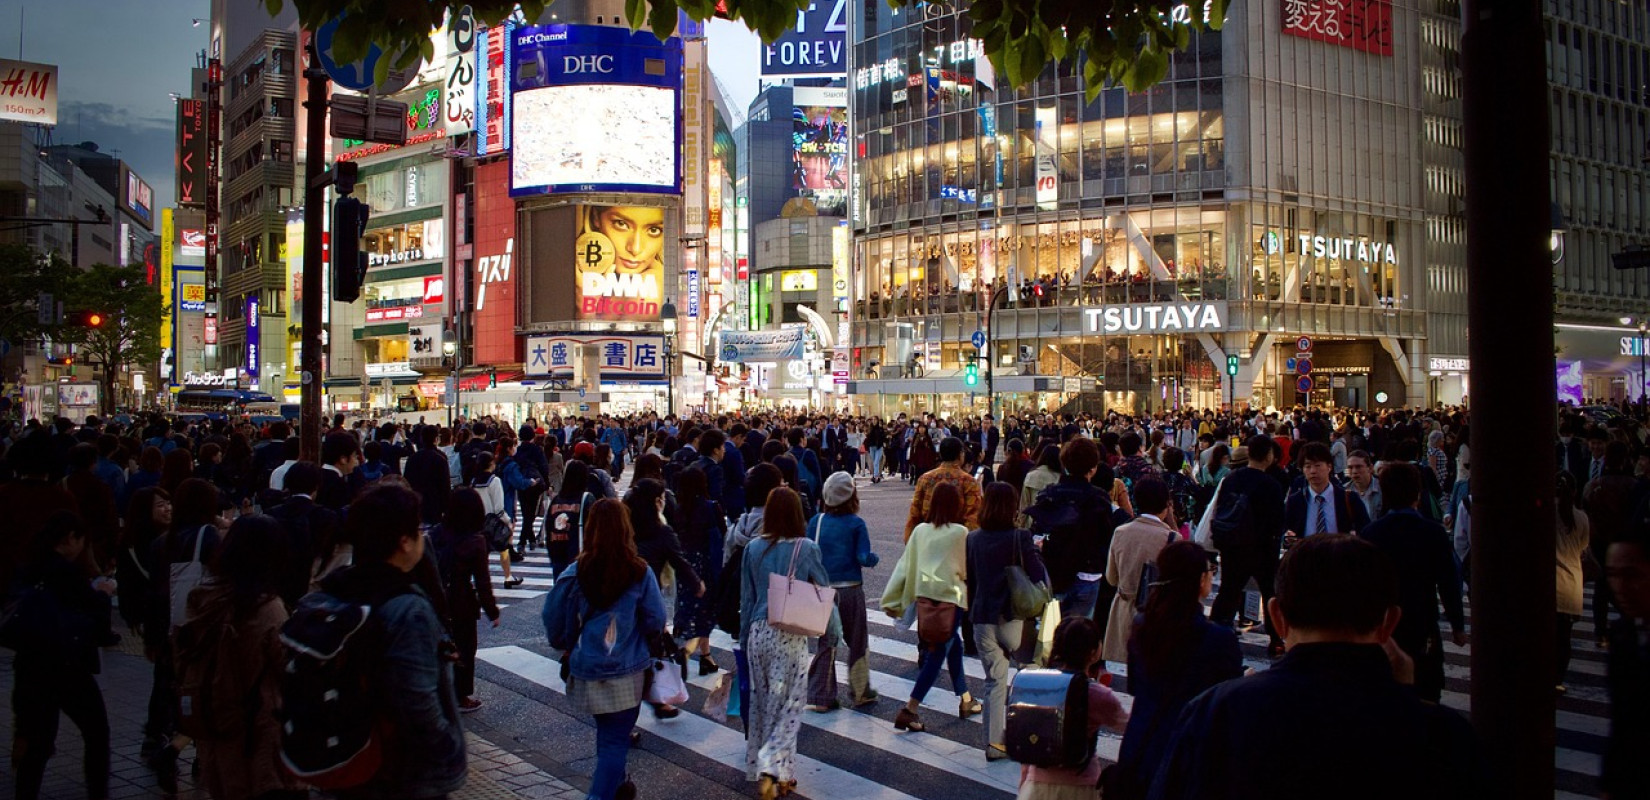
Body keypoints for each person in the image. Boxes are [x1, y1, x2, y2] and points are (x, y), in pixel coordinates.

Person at [1147, 535, 1481, 800]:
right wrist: (1404, 699)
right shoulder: (1445, 737)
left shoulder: (1217, 712)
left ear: (1277, 617)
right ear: (1389, 622)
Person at [311, 482, 468, 800]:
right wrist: (448, 745)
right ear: (404, 542)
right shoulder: (407, 607)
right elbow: (418, 703)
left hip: (348, 753)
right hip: (402, 769)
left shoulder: (332, 590)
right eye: (419, 529)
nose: (423, 535)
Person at [173, 514, 305, 800]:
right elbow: (289, 670)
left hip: (216, 732)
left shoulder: (202, 600)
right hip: (260, 737)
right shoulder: (266, 608)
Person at [542, 498, 663, 800]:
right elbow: (656, 618)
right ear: (626, 529)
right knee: (614, 742)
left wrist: (566, 643)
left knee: (607, 735)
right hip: (627, 670)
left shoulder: (576, 571)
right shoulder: (638, 571)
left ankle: (619, 785)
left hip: (588, 669)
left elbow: (552, 618)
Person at [1107, 541, 1241, 800]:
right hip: (1188, 752)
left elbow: (1135, 685)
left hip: (1141, 743)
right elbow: (1227, 705)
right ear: (1201, 579)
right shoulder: (1218, 639)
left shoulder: (1143, 624)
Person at [8, 512, 115, 800]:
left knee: (38, 742)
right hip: (68, 666)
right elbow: (92, 610)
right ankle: (97, 791)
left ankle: (25, 794)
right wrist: (104, 593)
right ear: (70, 539)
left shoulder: (28, 568)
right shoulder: (66, 572)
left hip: (31, 665)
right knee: (96, 732)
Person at [738, 487, 835, 799]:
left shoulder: (752, 548)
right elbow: (823, 590)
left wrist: (744, 639)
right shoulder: (805, 547)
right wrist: (832, 632)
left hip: (756, 632)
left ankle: (776, 770)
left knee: (764, 704)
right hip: (788, 635)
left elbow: (747, 597)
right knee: (789, 707)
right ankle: (773, 768)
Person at [1356, 462, 1466, 703]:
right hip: (1422, 618)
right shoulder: (1432, 532)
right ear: (1417, 493)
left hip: (1383, 623)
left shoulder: (1371, 533)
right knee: (1425, 687)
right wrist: (1457, 623)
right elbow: (1448, 581)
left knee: (1385, 689)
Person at [882, 482, 976, 733]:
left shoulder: (920, 531)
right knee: (939, 652)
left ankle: (965, 698)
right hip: (951, 599)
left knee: (950, 644)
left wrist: (893, 599)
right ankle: (910, 708)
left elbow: (905, 565)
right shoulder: (960, 533)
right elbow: (966, 569)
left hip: (925, 600)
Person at [965, 481, 1048, 762]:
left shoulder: (973, 538)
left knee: (994, 682)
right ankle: (1030, 734)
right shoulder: (1020, 537)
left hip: (982, 617)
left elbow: (971, 581)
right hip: (1013, 617)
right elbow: (1036, 576)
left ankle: (994, 744)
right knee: (1030, 671)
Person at [1015, 617, 1130, 800]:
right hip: (1081, 787)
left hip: (1038, 787)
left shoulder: (1040, 685)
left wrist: (1024, 786)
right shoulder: (1097, 694)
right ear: (1094, 653)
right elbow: (1129, 726)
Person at [1206, 435, 1289, 655]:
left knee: (1228, 590)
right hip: (1263, 548)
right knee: (1270, 592)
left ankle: (1215, 635)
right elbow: (1278, 521)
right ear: (1269, 455)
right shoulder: (1271, 484)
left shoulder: (1232, 479)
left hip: (1233, 545)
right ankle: (1276, 638)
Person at [806, 471, 880, 711]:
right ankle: (860, 692)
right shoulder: (856, 524)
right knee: (857, 641)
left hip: (823, 591)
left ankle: (821, 696)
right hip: (850, 590)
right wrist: (872, 559)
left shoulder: (816, 521)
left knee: (827, 643)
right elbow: (863, 556)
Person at [1026, 437, 1116, 621]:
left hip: (1054, 572)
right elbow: (1106, 537)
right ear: (1093, 469)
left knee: (1050, 630)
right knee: (1079, 630)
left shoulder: (1049, 494)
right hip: (1088, 573)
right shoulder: (1099, 499)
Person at [431, 488, 503, 712]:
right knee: (465, 648)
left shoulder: (437, 533)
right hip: (462, 600)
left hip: (437, 598)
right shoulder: (475, 541)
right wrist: (492, 611)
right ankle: (461, 695)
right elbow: (482, 582)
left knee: (440, 645)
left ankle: (440, 690)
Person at [1102, 478, 1180, 663]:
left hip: (1123, 609)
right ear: (1166, 504)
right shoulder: (1172, 538)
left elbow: (1111, 578)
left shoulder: (1121, 532)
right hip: (1157, 616)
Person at [1603, 518, 1650, 800]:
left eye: (1631, 575)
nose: (1620, 586)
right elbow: (1622, 725)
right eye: (1612, 575)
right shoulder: (1623, 636)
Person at [673, 467, 727, 675]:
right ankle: (703, 654)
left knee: (685, 607)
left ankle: (685, 648)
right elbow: (722, 536)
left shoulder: (679, 509)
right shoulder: (711, 507)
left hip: (685, 563)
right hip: (707, 564)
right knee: (706, 610)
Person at [1583, 439, 1635, 647]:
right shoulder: (1634, 487)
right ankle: (1627, 624)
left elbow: (1587, 513)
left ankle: (1600, 631)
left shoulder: (1593, 486)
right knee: (1625, 587)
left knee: (1601, 588)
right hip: (1626, 544)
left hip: (1599, 544)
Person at [1283, 442, 1371, 543]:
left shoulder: (1349, 499)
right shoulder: (1295, 501)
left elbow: (1366, 532)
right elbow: (1286, 534)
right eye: (1307, 466)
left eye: (1318, 465)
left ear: (1329, 467)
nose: (1313, 471)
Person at [904, 436, 984, 539]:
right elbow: (973, 516)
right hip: (957, 541)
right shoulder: (968, 481)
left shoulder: (925, 479)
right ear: (960, 455)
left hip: (928, 538)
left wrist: (911, 539)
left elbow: (915, 513)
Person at [1555, 471, 1590, 694]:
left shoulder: (1543, 511)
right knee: (1563, 638)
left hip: (1548, 584)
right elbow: (1584, 549)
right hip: (1570, 584)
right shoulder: (1581, 517)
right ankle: (1557, 679)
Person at [472, 452, 523, 588]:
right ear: (491, 464)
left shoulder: (474, 481)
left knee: (483, 553)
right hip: (493, 521)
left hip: (477, 521)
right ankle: (507, 577)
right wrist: (507, 520)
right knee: (504, 547)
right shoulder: (494, 481)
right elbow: (499, 507)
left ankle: (480, 580)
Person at [1345, 450, 1383, 521]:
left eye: (1358, 467)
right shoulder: (1345, 491)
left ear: (1370, 468)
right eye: (1350, 467)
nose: (1354, 471)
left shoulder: (1383, 488)